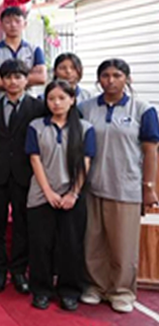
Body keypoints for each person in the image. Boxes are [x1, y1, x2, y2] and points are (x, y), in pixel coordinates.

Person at [78, 59, 159, 314]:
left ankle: (122, 291)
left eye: (117, 75)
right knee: (93, 241)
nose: (110, 80)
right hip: (92, 185)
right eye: (105, 75)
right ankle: (96, 286)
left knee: (123, 245)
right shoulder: (85, 108)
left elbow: (150, 151)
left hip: (126, 186)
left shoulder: (143, 110)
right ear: (98, 79)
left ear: (127, 79)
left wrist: (149, 186)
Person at [0, 59, 46, 295]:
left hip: (25, 175)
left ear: (26, 80)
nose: (13, 81)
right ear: (1, 80)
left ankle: (18, 272)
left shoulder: (38, 107)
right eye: (8, 77)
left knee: (21, 225)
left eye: (18, 77)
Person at [25, 80, 95, 312]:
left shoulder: (85, 128)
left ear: (72, 100)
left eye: (62, 98)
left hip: (72, 196)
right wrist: (48, 192)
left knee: (71, 245)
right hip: (41, 195)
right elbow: (34, 159)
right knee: (40, 245)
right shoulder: (36, 126)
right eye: (51, 98)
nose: (56, 103)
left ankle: (69, 291)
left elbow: (86, 162)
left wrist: (73, 193)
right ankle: (41, 290)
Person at [0, 7, 47, 100]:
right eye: (8, 22)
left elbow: (41, 78)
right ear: (1, 25)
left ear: (25, 24)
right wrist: (26, 78)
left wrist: (8, 80)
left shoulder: (35, 50)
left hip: (27, 100)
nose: (13, 25)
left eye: (17, 21)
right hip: (0, 101)